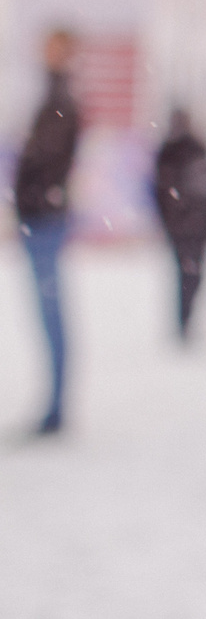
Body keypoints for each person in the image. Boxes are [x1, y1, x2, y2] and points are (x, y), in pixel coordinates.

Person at [15, 28, 79, 436]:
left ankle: (56, 409)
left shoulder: (60, 100)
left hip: (44, 218)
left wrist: (30, 199)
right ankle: (55, 406)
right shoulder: (55, 97)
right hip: (42, 215)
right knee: (49, 314)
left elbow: (44, 161)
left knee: (51, 314)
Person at [153, 105, 206, 343]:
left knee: (187, 278)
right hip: (192, 227)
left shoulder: (179, 150)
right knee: (192, 277)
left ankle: (185, 323)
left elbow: (161, 193)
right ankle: (185, 323)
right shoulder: (185, 150)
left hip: (189, 227)